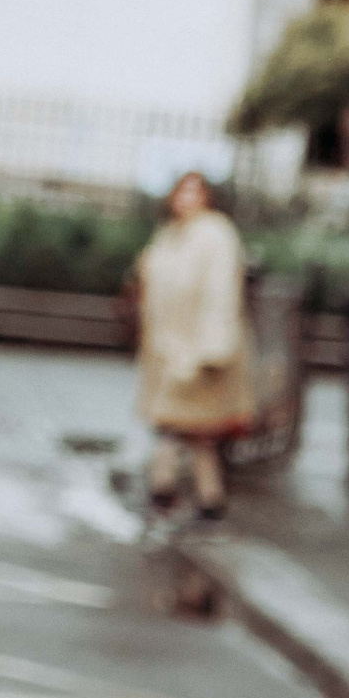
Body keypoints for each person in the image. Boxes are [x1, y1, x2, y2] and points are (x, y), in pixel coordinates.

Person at [132, 167, 252, 521]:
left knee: (188, 427)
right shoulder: (170, 235)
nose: (186, 199)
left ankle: (168, 491)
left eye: (194, 192)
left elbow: (221, 292)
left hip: (198, 350)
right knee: (184, 427)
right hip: (168, 347)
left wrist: (213, 348)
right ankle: (199, 498)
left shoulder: (215, 234)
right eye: (181, 191)